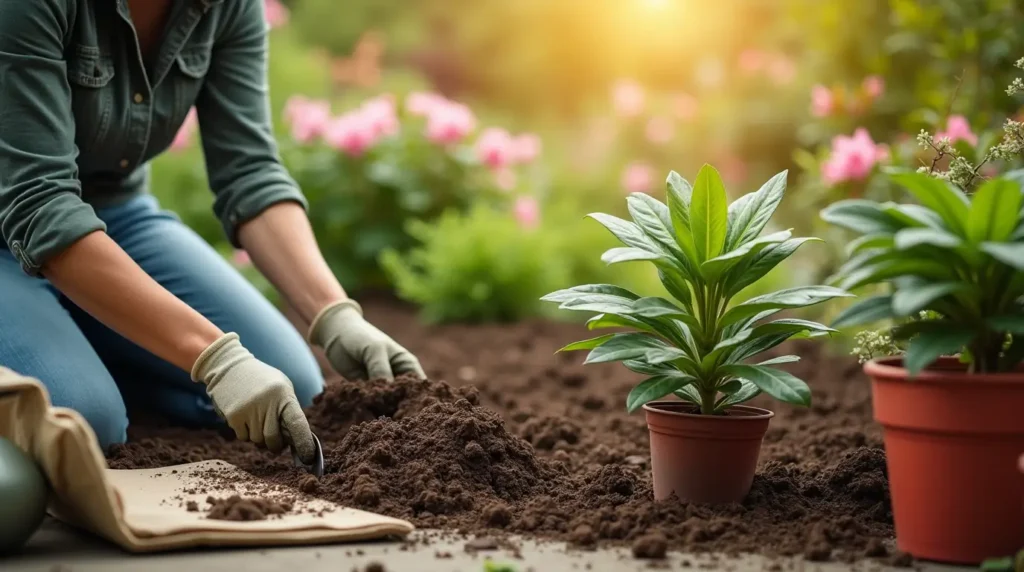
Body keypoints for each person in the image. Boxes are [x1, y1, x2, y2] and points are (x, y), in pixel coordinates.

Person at [0, 0, 424, 465]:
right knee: (84, 426)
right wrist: (214, 360)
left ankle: (99, 345)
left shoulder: (228, 7)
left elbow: (249, 172)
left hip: (113, 214)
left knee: (295, 386)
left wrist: (335, 314)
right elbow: (40, 206)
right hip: (17, 223)